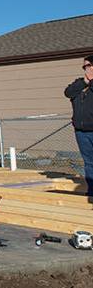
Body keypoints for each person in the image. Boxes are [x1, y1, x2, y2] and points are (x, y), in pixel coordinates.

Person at [66, 55, 93, 197]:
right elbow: (68, 92)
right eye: (84, 67)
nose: (86, 69)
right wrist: (84, 82)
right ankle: (92, 191)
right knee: (89, 162)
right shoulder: (80, 83)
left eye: (88, 66)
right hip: (81, 131)